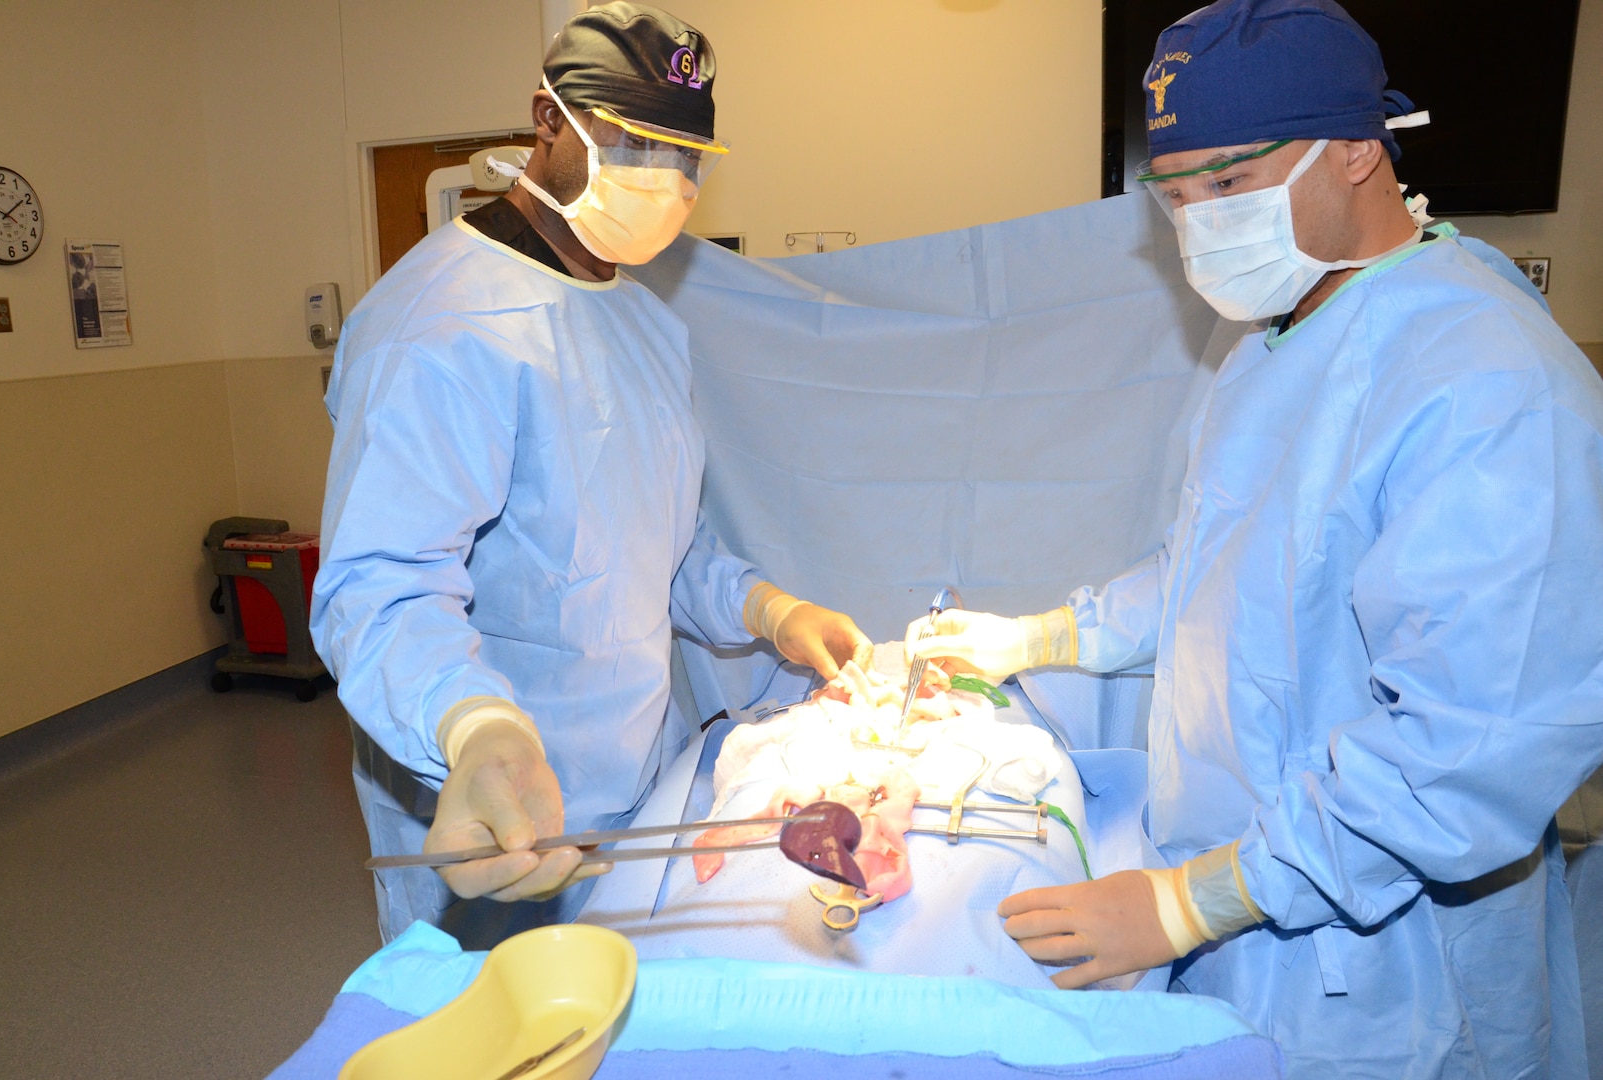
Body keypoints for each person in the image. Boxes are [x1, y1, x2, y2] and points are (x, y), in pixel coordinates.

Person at [908, 1, 1603, 1075]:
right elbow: (1224, 571)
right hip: (1257, 905)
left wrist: (1194, 903)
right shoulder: (1282, 339)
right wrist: (1043, 636)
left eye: (1227, 185)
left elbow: (1459, 754)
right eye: (1174, 195)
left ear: (1357, 152)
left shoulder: (1487, 383)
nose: (1199, 223)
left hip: (1390, 971)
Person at [312, 2, 867, 947]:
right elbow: (378, 586)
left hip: (629, 772)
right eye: (637, 143)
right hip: (490, 799)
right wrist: (480, 730)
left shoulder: (647, 323)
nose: (667, 179)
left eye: (686, 157)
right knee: (499, 1027)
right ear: (548, 120)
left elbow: (663, 543)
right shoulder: (439, 326)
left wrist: (771, 610)